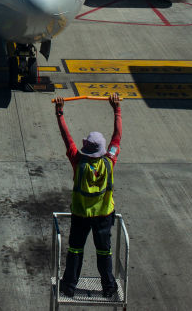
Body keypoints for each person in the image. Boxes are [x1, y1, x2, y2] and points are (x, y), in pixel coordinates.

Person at [55, 93, 123, 299]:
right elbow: (117, 136)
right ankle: (109, 287)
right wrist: (117, 110)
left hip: (81, 215)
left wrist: (59, 113)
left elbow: (67, 138)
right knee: (104, 252)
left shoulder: (78, 161)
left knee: (75, 250)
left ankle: (69, 285)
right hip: (103, 215)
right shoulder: (109, 161)